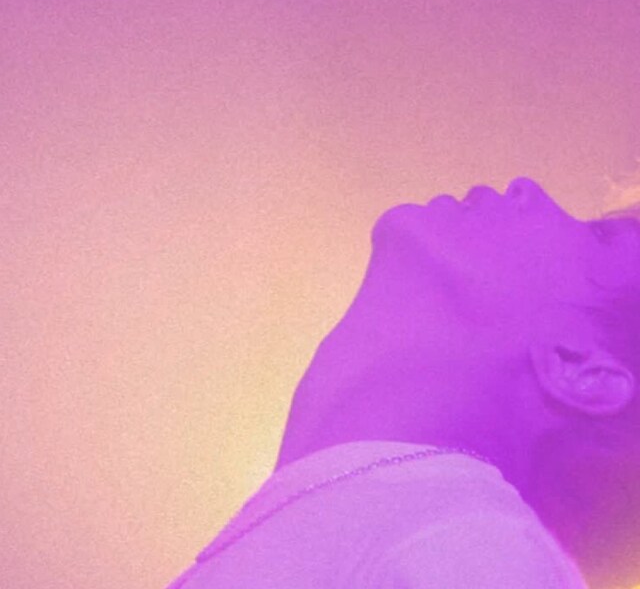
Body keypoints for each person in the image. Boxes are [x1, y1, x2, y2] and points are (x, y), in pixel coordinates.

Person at [165, 176, 640, 588]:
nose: (526, 188)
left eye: (598, 236)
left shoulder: (466, 545)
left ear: (580, 370)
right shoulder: (420, 534)